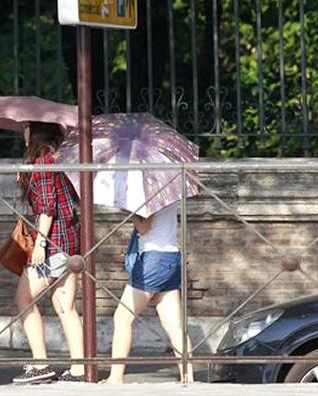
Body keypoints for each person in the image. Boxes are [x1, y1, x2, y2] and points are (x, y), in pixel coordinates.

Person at [11, 122, 85, 384]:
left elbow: (47, 207)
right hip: (70, 242)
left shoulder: (43, 161)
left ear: (36, 132)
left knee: (24, 299)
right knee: (66, 306)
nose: (23, 131)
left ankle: (40, 364)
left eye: (27, 127)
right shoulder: (59, 157)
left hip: (52, 243)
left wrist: (40, 244)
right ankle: (80, 368)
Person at [105, 204, 194, 384]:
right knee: (174, 326)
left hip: (152, 258)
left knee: (122, 318)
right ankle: (188, 377)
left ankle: (115, 377)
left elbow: (144, 228)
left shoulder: (152, 191)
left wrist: (131, 213)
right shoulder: (167, 187)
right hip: (171, 257)